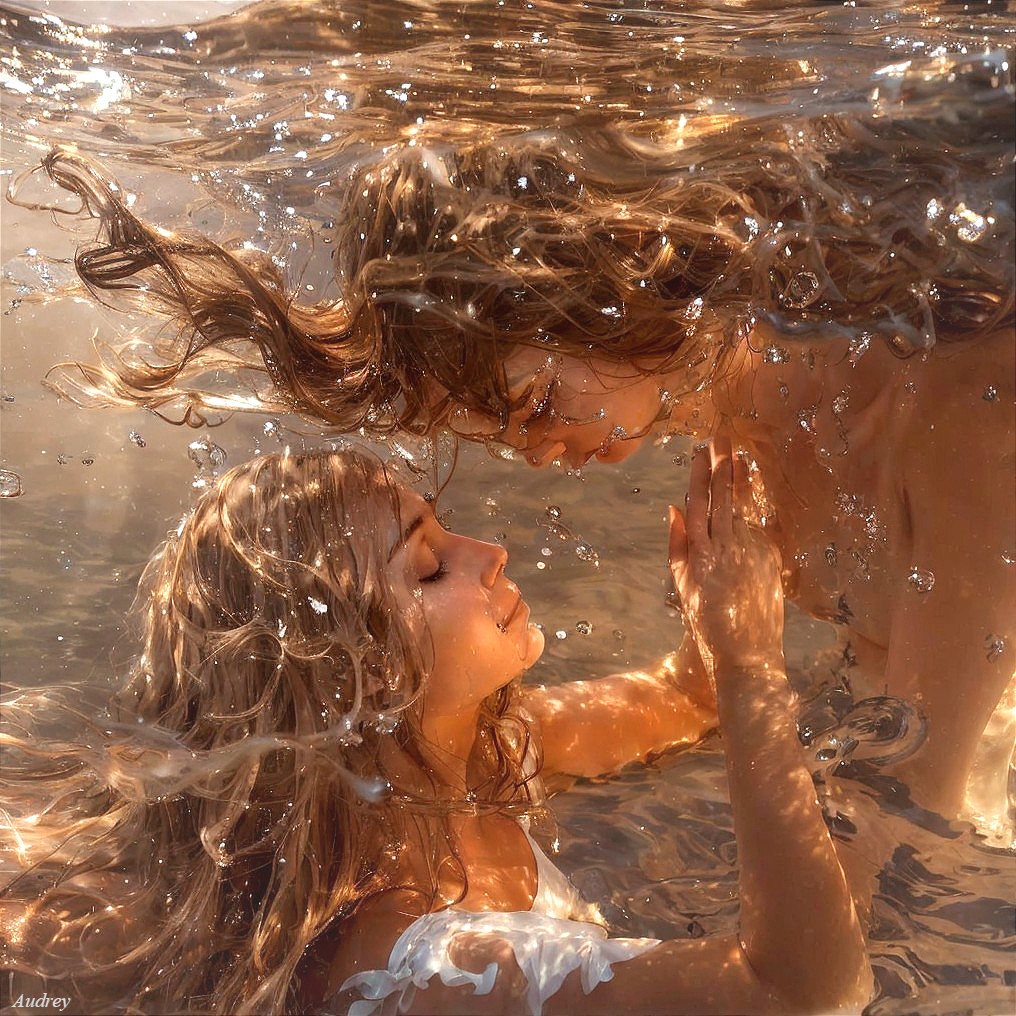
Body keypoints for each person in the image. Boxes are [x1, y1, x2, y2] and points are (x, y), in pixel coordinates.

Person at [28, 111, 1015, 841]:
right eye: (507, 434)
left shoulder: (961, 410)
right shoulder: (744, 428)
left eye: (537, 403)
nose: (543, 455)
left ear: (611, 280)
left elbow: (918, 803)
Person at [1, 444, 870, 1015]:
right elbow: (809, 992)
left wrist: (729, 595)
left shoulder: (479, 752)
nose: (488, 550)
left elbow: (688, 696)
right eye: (428, 564)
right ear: (359, 675)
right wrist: (752, 663)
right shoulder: (424, 967)